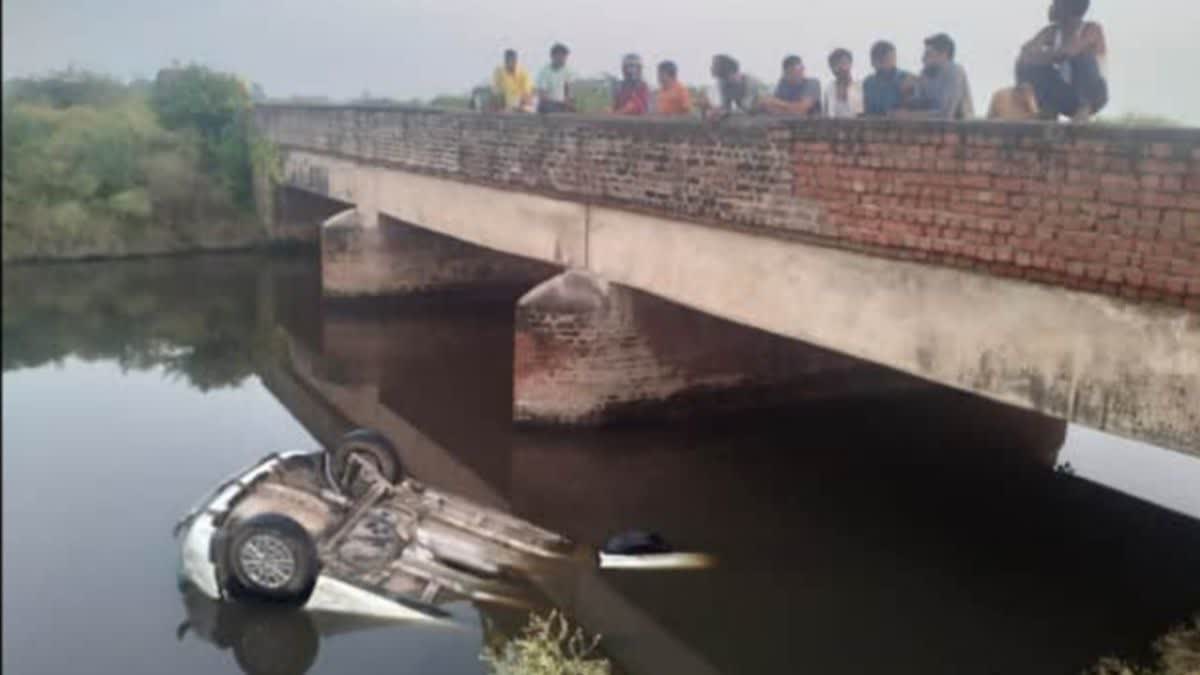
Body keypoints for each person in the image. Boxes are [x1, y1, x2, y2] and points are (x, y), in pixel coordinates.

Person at [1017, 0, 1108, 122]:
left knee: (1084, 58)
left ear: (1067, 7)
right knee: (1026, 67)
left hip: (1094, 94)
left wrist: (1043, 57)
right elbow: (1026, 53)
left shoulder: (1092, 29)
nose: (1051, 7)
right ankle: (1048, 111)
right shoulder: (1052, 31)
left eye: (1056, 3)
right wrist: (1051, 58)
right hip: (1065, 94)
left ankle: (1083, 111)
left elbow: (1070, 51)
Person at [902, 33, 974, 120]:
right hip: (930, 130)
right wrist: (907, 93)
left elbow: (946, 114)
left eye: (928, 54)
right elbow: (919, 105)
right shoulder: (925, 73)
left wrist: (910, 115)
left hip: (958, 130)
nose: (923, 59)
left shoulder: (954, 72)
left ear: (944, 55)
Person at [700, 54, 770, 119]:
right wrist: (717, 112)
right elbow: (724, 106)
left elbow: (747, 107)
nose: (711, 68)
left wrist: (725, 112)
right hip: (739, 115)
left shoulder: (750, 82)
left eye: (714, 65)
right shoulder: (722, 82)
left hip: (757, 114)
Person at [862, 41, 915, 116]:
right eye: (877, 60)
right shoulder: (868, 83)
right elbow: (868, 112)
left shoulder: (906, 78)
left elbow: (911, 111)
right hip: (876, 125)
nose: (891, 62)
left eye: (891, 59)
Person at [536, 43, 576, 114]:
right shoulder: (544, 72)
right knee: (549, 107)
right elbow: (542, 94)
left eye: (565, 57)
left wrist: (568, 101)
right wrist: (555, 102)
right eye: (561, 56)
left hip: (562, 104)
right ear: (553, 56)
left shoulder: (568, 71)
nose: (563, 59)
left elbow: (569, 90)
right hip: (548, 104)